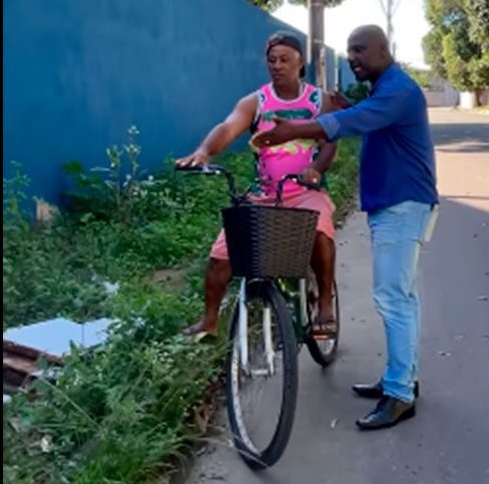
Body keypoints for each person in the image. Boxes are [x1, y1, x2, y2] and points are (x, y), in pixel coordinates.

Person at [253, 25, 438, 430]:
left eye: (359, 50)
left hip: (402, 204)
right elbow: (355, 113)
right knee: (401, 296)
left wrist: (292, 130)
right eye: (350, 50)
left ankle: (401, 394)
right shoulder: (386, 88)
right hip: (395, 202)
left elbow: (352, 122)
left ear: (383, 50)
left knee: (393, 298)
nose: (352, 57)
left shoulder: (399, 91)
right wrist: (338, 109)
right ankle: (402, 378)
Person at [176, 31, 339, 340]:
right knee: (221, 255)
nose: (277, 65)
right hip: (265, 193)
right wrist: (204, 151)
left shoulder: (319, 100)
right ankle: (209, 322)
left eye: (285, 59)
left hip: (305, 192)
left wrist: (316, 169)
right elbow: (227, 127)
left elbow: (330, 142)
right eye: (272, 60)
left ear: (300, 62)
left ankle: (326, 304)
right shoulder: (256, 101)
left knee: (320, 229)